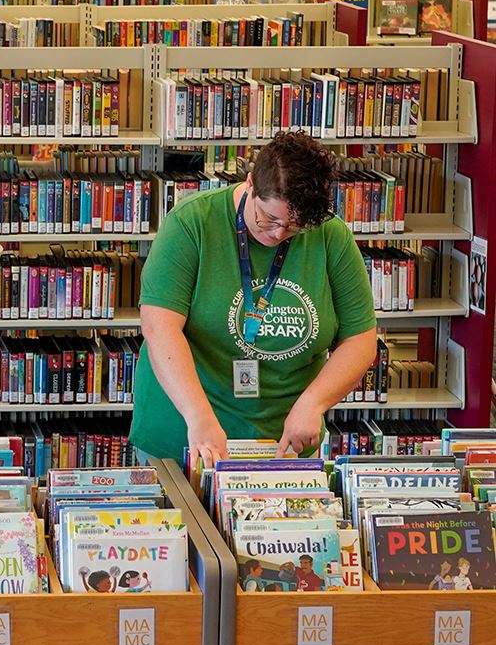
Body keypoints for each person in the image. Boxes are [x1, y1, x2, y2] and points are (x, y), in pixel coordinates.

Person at [130, 131, 377, 467]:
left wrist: (314, 403)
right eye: (269, 219)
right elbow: (160, 328)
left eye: (293, 228)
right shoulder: (192, 223)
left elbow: (360, 339)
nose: (277, 234)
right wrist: (198, 416)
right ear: (250, 184)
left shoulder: (331, 236)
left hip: (282, 442)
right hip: (184, 435)